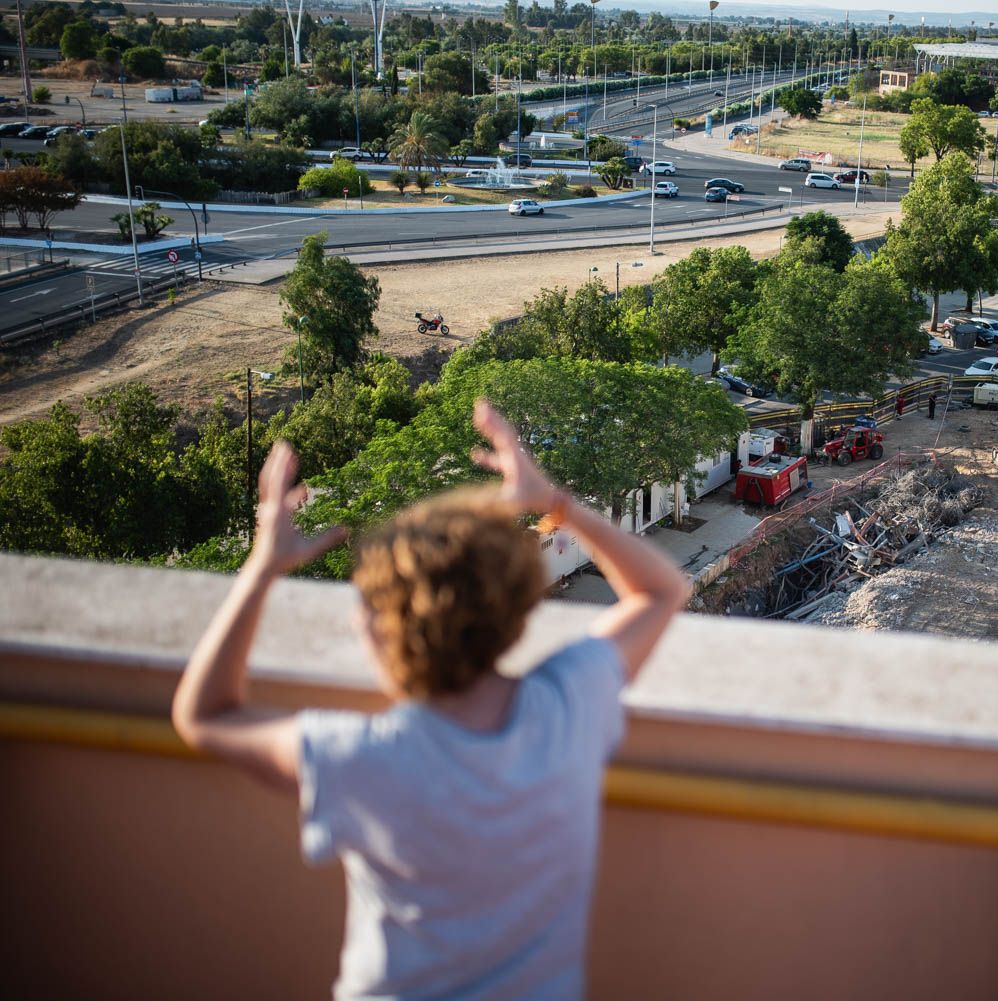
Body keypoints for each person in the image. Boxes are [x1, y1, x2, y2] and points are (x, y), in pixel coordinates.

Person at [171, 398, 690, 1001]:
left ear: (385, 633)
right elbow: (659, 591)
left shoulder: (360, 758)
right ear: (514, 614)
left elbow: (204, 714)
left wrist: (262, 568)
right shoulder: (567, 707)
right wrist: (554, 502)